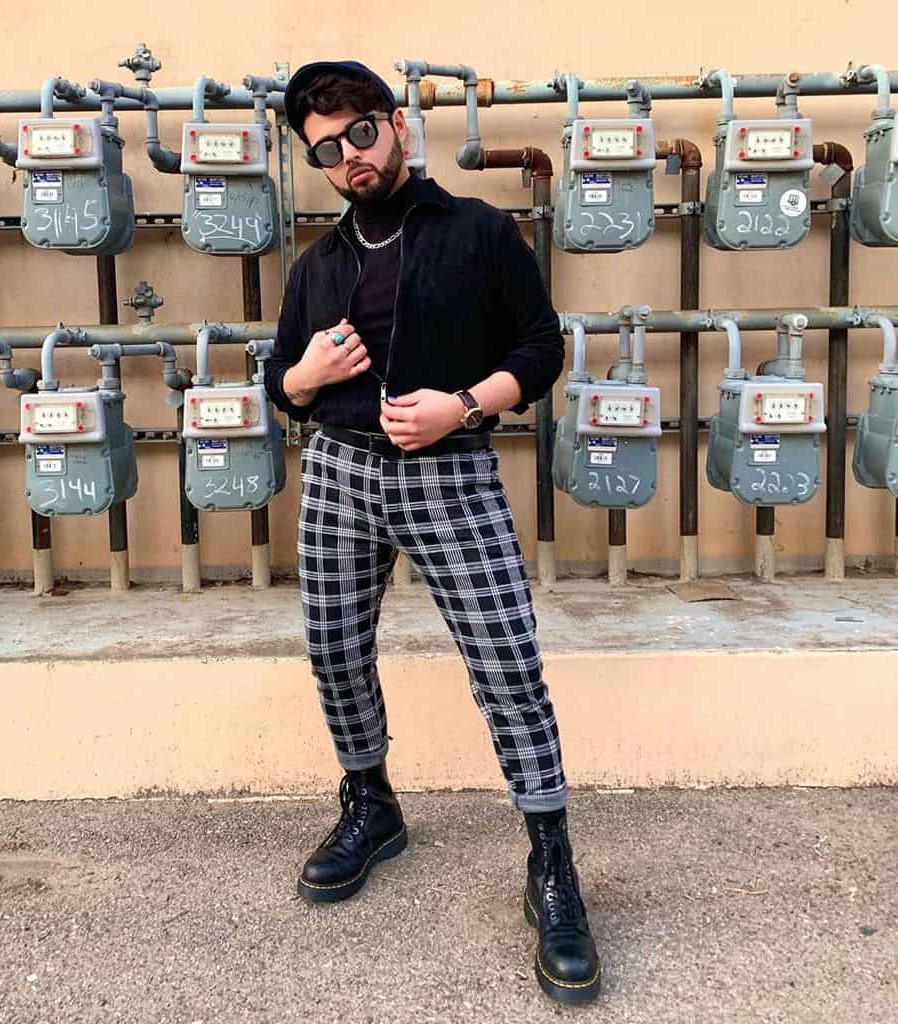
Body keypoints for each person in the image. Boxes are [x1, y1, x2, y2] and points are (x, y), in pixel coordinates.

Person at [264, 60, 601, 1006]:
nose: (348, 156)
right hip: (337, 471)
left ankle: (550, 861)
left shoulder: (479, 232)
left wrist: (463, 405)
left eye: (360, 132)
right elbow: (280, 384)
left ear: (397, 127)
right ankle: (370, 804)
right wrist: (302, 377)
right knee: (334, 651)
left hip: (449, 472)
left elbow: (539, 346)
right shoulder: (317, 265)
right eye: (325, 149)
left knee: (505, 662)